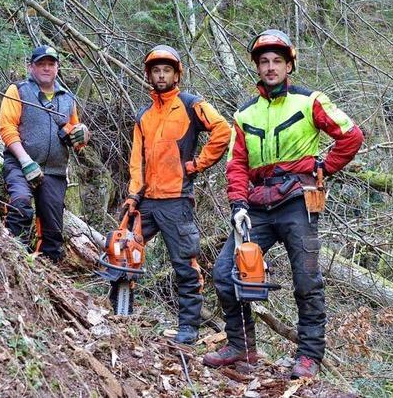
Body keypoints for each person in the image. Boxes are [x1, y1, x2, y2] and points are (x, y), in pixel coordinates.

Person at [203, 30, 364, 377]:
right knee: (224, 272)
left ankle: (308, 357)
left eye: (277, 61)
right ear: (257, 67)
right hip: (257, 205)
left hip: (297, 201)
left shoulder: (310, 101)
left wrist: (324, 168)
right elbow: (235, 165)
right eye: (264, 61)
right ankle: (241, 348)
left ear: (289, 64)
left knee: (306, 280)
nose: (271, 67)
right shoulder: (244, 114)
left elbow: (351, 136)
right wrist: (238, 205)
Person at [122, 45, 231, 344]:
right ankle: (121, 314)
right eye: (156, 70)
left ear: (176, 73)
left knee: (184, 264)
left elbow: (223, 130)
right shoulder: (143, 114)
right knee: (123, 253)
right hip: (147, 200)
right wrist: (134, 194)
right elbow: (136, 159)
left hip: (176, 200)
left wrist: (197, 164)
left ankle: (188, 329)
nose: (160, 75)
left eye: (166, 70)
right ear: (149, 74)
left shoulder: (190, 104)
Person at [0, 45, 90, 263]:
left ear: (57, 67)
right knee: (20, 205)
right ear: (31, 67)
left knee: (53, 231)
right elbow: (7, 128)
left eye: (51, 64)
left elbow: (74, 135)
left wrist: (82, 136)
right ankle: (11, 261)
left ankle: (48, 275)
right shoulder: (18, 91)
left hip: (55, 172)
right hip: (20, 165)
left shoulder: (67, 98)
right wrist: (25, 161)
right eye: (41, 64)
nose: (46, 68)